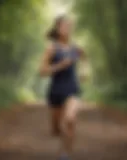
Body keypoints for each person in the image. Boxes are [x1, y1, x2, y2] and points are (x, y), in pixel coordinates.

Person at [40, 15, 86, 160]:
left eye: (69, 26)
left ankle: (65, 155)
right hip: (56, 90)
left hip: (72, 88)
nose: (67, 28)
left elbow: (85, 59)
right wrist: (60, 65)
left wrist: (85, 72)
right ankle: (59, 136)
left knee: (70, 119)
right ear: (58, 29)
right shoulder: (51, 48)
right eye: (63, 26)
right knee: (56, 130)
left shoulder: (75, 48)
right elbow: (42, 71)